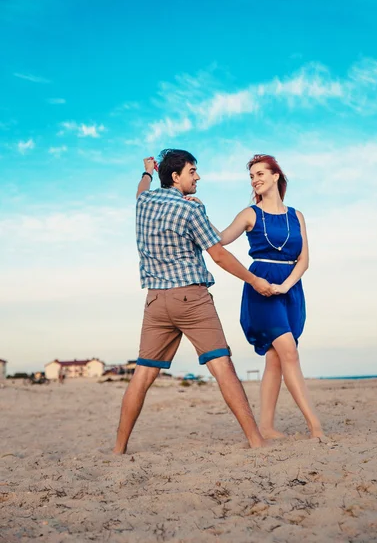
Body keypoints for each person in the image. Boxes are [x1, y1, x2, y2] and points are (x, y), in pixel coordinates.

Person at [113, 149, 273, 455]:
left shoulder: (144, 203)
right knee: (222, 367)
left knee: (143, 374)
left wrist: (147, 170)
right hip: (191, 299)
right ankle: (256, 440)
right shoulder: (190, 210)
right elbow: (219, 255)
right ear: (175, 177)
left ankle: (119, 449)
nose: (197, 176)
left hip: (156, 301)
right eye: (192, 171)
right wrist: (254, 280)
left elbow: (141, 189)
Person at [215, 154, 323, 440]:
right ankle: (316, 427)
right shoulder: (250, 213)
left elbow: (304, 260)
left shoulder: (296, 215)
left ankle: (267, 426)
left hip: (290, 289)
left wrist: (287, 286)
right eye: (252, 176)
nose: (256, 179)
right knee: (289, 351)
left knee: (276, 358)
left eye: (261, 173)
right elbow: (222, 238)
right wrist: (198, 213)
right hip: (261, 287)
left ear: (276, 175)